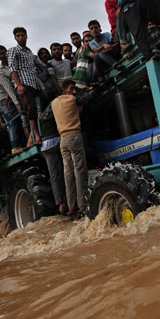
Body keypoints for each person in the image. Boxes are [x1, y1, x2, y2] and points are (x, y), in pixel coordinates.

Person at [51, 79, 95, 217]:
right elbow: (87, 98)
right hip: (74, 136)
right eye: (71, 88)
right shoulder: (71, 99)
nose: (74, 91)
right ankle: (83, 205)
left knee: (68, 173)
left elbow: (43, 116)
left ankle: (71, 206)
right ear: (64, 90)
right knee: (80, 171)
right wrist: (93, 89)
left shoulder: (53, 103)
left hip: (62, 140)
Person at [7, 27, 44, 146]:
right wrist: (19, 85)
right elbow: (12, 68)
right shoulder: (13, 50)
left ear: (26, 36)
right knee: (30, 109)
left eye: (22, 35)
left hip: (35, 84)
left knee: (41, 108)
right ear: (15, 38)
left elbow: (41, 66)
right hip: (24, 84)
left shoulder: (30, 53)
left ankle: (38, 134)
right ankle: (35, 136)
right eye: (18, 36)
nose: (20, 37)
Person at [0, 45, 27, 153]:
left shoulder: (12, 64)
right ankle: (15, 146)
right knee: (14, 120)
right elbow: (6, 86)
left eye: (3, 53)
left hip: (8, 96)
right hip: (2, 98)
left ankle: (21, 144)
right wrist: (16, 102)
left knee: (17, 120)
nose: (2, 56)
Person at [38, 102, 68, 215]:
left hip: (45, 145)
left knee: (55, 175)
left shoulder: (36, 113)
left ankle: (61, 204)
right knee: (66, 171)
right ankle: (67, 202)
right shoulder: (55, 105)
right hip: (56, 141)